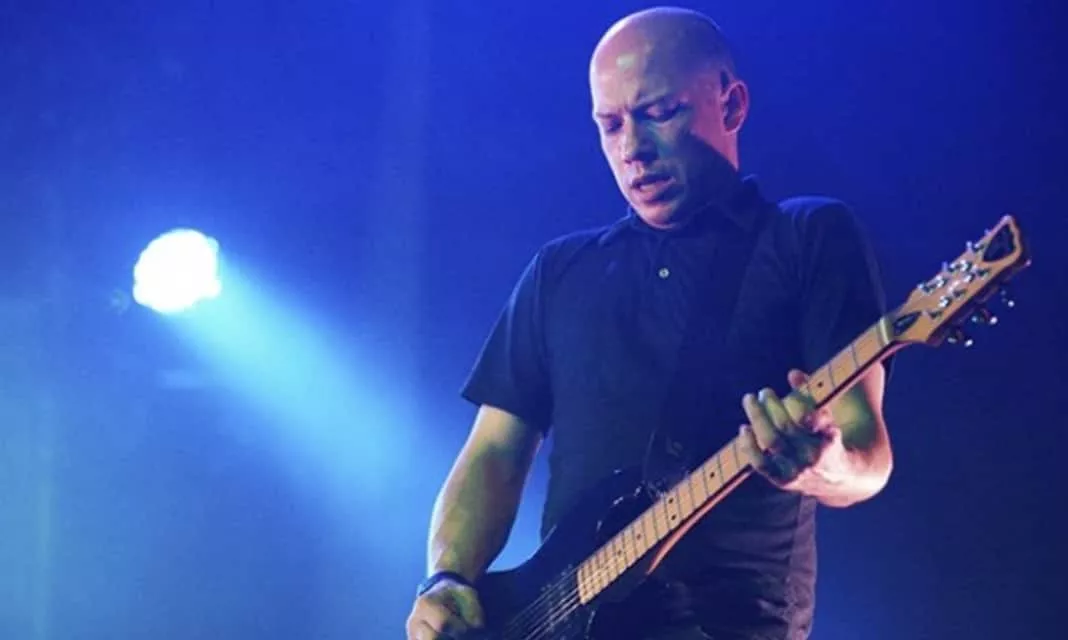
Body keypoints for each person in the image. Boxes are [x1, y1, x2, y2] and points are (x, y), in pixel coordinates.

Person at [406, 6, 894, 640]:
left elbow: (868, 455)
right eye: (610, 125)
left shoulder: (806, 237)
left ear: (732, 105)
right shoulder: (561, 271)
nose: (631, 148)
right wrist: (447, 578)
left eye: (659, 113)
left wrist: (821, 463)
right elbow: (494, 450)